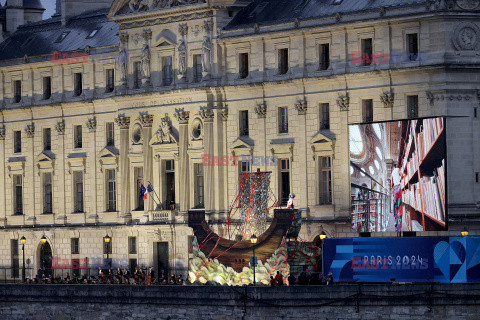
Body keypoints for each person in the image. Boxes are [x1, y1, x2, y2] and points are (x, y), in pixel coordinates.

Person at [391, 163, 403, 232]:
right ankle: (400, 227)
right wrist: (402, 177)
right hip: (399, 187)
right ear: (396, 166)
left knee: (395, 206)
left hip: (395, 189)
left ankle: (395, 223)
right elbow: (402, 175)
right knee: (400, 206)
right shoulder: (398, 169)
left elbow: (392, 183)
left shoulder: (392, 172)